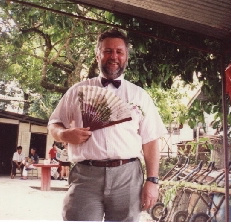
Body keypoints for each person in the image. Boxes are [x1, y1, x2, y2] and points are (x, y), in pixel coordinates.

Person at [48, 28, 167, 221]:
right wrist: (64, 135)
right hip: (85, 176)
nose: (114, 56)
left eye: (119, 52)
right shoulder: (77, 91)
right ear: (98, 55)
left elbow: (151, 140)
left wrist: (153, 181)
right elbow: (54, 123)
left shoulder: (139, 95)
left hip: (127, 176)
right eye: (108, 51)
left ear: (126, 57)